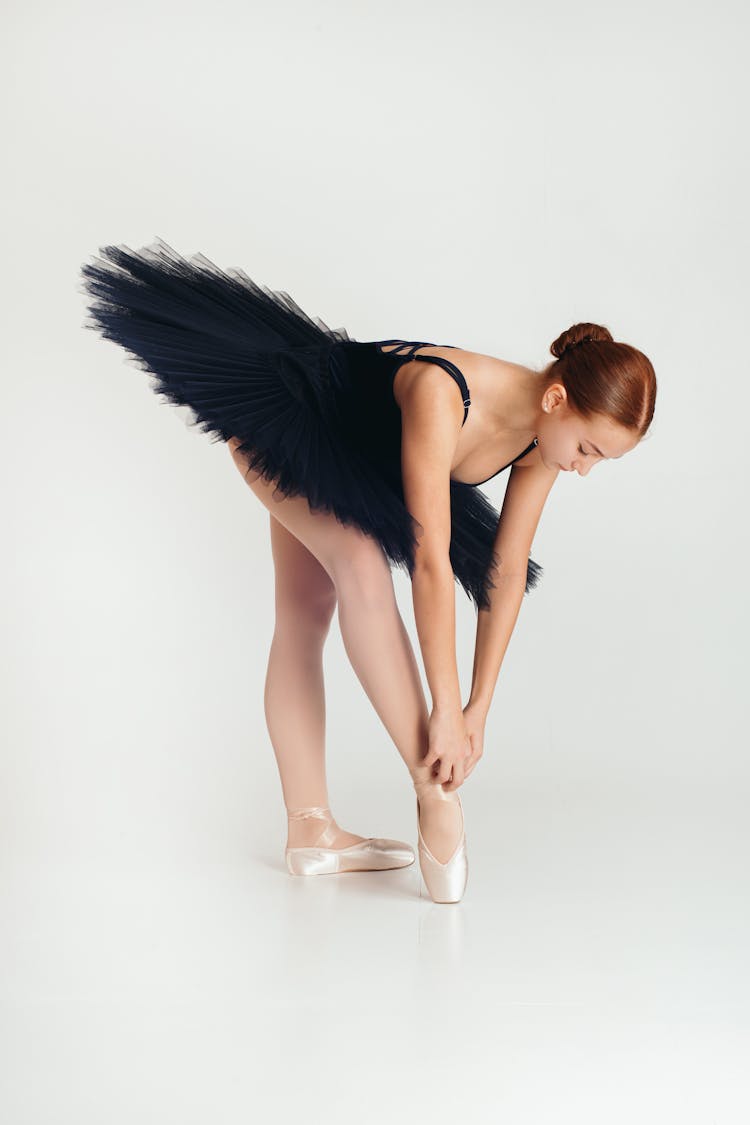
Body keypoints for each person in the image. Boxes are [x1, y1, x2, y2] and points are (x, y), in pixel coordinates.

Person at [80, 238, 657, 904]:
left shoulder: (541, 440)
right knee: (357, 567)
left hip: (359, 463)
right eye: (588, 448)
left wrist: (477, 709)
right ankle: (431, 789)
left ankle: (310, 832)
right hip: (295, 419)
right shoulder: (445, 394)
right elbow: (431, 560)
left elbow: (502, 571)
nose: (583, 467)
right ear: (557, 398)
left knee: (306, 611)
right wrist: (441, 712)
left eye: (599, 461)